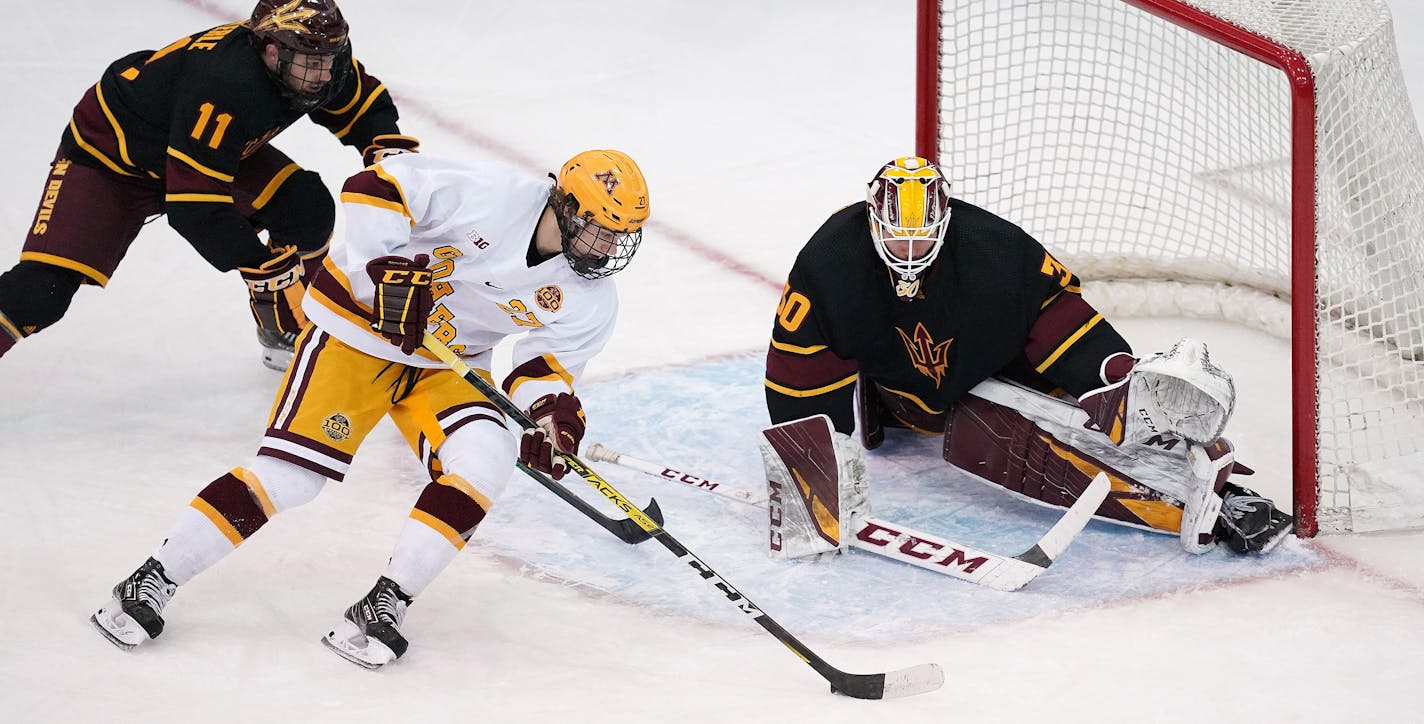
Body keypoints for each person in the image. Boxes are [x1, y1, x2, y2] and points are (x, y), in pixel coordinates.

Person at [89, 148, 650, 668]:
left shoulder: (592, 297)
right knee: (291, 478)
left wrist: (551, 413)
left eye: (621, 237)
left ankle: (384, 604)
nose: (607, 249)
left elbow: (542, 369)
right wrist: (378, 272)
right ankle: (151, 579)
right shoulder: (493, 195)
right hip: (356, 337)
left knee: (487, 459)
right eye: (600, 229)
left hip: (445, 363)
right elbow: (374, 185)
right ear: (566, 206)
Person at [762, 156, 1292, 556]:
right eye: (897, 242)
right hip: (901, 398)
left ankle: (1226, 500)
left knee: (1087, 423)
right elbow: (798, 372)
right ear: (874, 222)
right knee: (1008, 434)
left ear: (944, 225)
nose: (908, 255)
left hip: (996, 365)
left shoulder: (994, 248)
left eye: (919, 242)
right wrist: (812, 460)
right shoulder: (830, 262)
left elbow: (1056, 313)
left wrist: (1109, 375)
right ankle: (1182, 506)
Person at [0, 0, 419, 371]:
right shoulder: (227, 84)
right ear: (272, 51)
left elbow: (362, 106)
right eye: (314, 62)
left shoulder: (312, 59)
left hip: (196, 144)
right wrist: (258, 267)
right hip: (110, 158)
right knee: (41, 292)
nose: (324, 74)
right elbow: (194, 207)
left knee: (305, 207)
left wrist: (386, 154)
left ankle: (287, 332)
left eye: (331, 58)